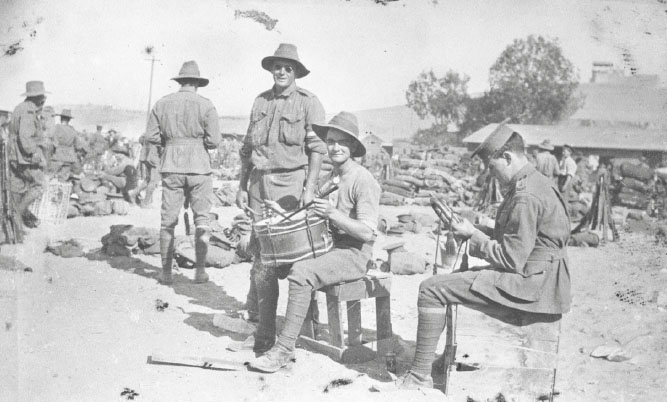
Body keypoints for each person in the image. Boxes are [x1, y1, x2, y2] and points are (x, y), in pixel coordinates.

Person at [397, 123, 571, 390]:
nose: (490, 174)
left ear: (507, 157)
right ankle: (446, 358)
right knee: (453, 280)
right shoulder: (534, 182)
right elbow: (522, 238)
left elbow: (512, 259)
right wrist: (477, 229)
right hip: (542, 279)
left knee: (430, 289)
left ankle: (418, 376)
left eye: (492, 167)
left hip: (532, 286)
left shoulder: (525, 195)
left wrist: (473, 237)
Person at [248, 111, 381, 373]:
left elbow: (367, 233)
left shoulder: (362, 179)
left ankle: (284, 349)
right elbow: (311, 215)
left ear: (353, 147)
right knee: (265, 266)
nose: (335, 147)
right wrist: (281, 212)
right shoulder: (330, 178)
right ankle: (264, 338)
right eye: (330, 141)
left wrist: (332, 213)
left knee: (301, 272)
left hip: (353, 254)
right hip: (326, 247)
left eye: (342, 142)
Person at [235, 43, 326, 347]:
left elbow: (316, 150)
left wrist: (309, 189)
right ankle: (264, 331)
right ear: (271, 69)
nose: (282, 72)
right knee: (263, 259)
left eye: (288, 68)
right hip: (259, 186)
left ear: (296, 72)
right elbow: (248, 148)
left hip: (290, 187)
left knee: (296, 257)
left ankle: (304, 327)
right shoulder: (260, 101)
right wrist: (241, 186)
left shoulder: (308, 103)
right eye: (277, 66)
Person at [146, 60, 221, 284]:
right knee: (202, 220)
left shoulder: (162, 104)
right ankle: (199, 271)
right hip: (199, 167)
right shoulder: (206, 105)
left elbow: (151, 136)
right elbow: (214, 141)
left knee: (168, 221)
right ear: (197, 83)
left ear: (180, 82)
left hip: (171, 166)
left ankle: (166, 272)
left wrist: (171, 141)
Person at [7, 81, 49, 229]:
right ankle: (17, 215)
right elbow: (26, 138)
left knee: (17, 189)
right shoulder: (28, 111)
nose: (44, 99)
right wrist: (36, 156)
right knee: (40, 185)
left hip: (14, 156)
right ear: (37, 97)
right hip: (24, 158)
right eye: (42, 96)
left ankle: (14, 226)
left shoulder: (20, 108)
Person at [51, 109, 86, 181]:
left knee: (50, 176)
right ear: (69, 120)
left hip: (58, 156)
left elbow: (54, 143)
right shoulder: (72, 130)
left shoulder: (57, 127)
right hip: (69, 158)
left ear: (61, 118)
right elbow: (78, 145)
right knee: (63, 178)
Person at [136, 132, 161, 208]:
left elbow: (140, 139)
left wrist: (146, 148)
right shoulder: (160, 131)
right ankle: (146, 203)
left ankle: (133, 194)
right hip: (154, 159)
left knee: (148, 179)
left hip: (146, 157)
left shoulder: (150, 130)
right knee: (154, 181)